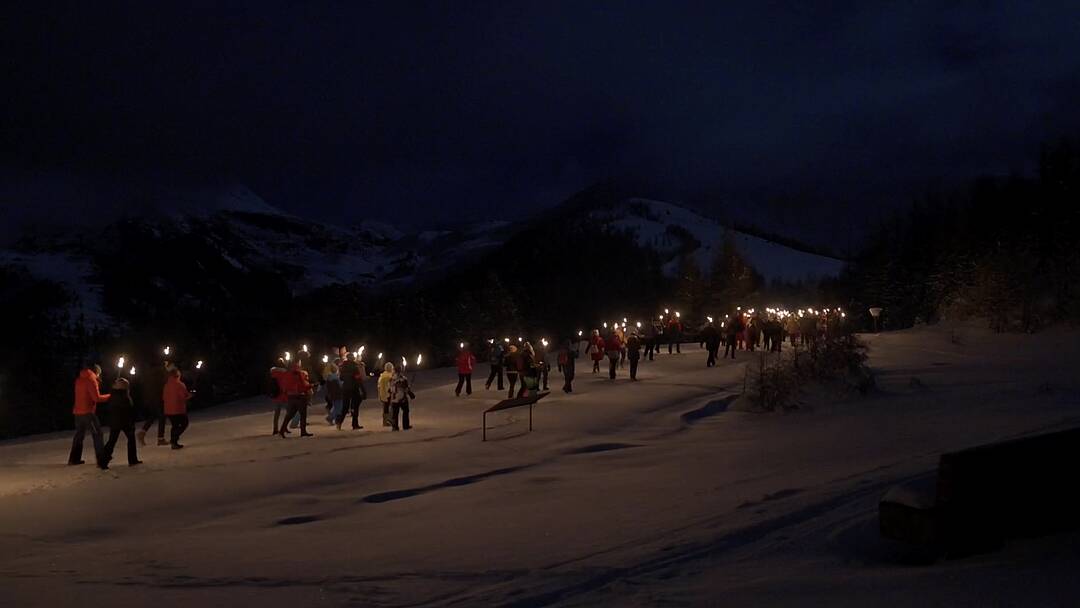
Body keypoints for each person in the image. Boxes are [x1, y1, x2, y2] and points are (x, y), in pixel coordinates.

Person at [69, 364, 111, 469]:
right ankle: (101, 460)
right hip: (88, 413)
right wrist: (111, 396)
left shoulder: (79, 379)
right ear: (96, 372)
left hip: (77, 412)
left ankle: (74, 458)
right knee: (97, 435)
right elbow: (96, 398)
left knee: (79, 436)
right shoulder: (91, 380)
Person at [104, 377, 141, 466]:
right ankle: (132, 460)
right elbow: (127, 409)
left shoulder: (114, 395)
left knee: (112, 441)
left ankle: (103, 460)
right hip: (124, 421)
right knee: (127, 439)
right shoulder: (122, 396)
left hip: (116, 421)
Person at [275, 359, 314, 438]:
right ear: (297, 364)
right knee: (303, 414)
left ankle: (282, 430)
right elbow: (302, 386)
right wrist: (311, 386)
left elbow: (284, 386)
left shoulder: (287, 374)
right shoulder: (299, 373)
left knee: (290, 414)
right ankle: (303, 432)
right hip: (300, 396)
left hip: (291, 396)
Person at [137, 360, 171, 447]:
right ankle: (160, 438)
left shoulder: (149, 373)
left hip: (150, 398)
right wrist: (167, 370)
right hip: (157, 397)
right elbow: (165, 381)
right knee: (162, 416)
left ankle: (142, 432)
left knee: (153, 416)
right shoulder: (160, 371)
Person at [163, 368, 192, 449]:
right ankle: (174, 440)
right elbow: (183, 397)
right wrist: (189, 396)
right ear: (177, 375)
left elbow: (163, 397)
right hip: (178, 409)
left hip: (168, 409)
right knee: (184, 423)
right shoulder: (180, 385)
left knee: (174, 425)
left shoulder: (166, 385)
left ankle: (174, 442)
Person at [338, 352, 367, 430]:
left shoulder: (342, 367)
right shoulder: (354, 366)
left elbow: (341, 378)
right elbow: (358, 379)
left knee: (345, 407)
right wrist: (363, 391)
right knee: (355, 406)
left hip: (345, 388)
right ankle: (355, 424)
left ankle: (339, 422)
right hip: (354, 388)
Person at [269, 358, 291, 436]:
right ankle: (284, 427)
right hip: (283, 394)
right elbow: (285, 383)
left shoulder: (273, 372)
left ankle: (275, 429)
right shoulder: (284, 372)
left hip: (276, 394)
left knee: (277, 413)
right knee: (288, 412)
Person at [325, 362, 345, 429]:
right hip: (338, 394)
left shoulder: (328, 378)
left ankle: (332, 418)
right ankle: (331, 418)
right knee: (339, 408)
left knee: (335, 406)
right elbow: (340, 386)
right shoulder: (336, 378)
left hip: (332, 395)